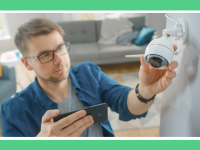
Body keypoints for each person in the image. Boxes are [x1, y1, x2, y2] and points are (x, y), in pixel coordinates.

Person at [0, 18, 178, 137]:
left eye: (61, 48)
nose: (59, 60)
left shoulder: (89, 73)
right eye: (45, 55)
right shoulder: (11, 112)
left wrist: (144, 92)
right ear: (27, 64)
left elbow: (127, 104)